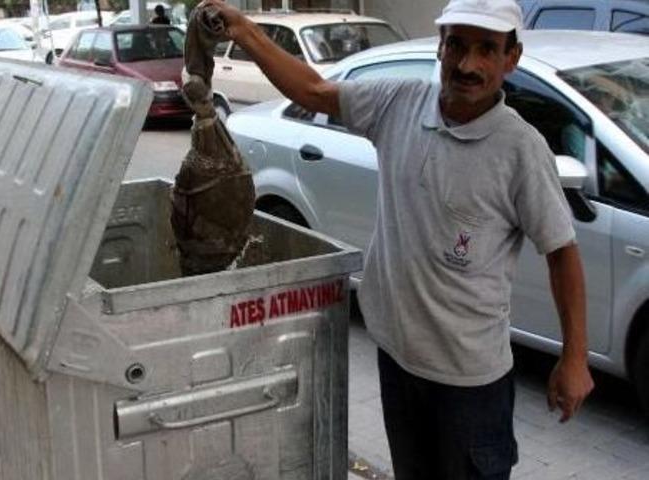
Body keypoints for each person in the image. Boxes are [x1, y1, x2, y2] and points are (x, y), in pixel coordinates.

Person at [198, 0, 595, 478]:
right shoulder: (398, 104)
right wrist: (244, 31)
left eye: (487, 50)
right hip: (397, 362)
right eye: (458, 47)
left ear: (511, 58)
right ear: (441, 48)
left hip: (468, 384)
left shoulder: (521, 149)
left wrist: (574, 359)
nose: (468, 65)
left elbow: (562, 254)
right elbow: (315, 89)